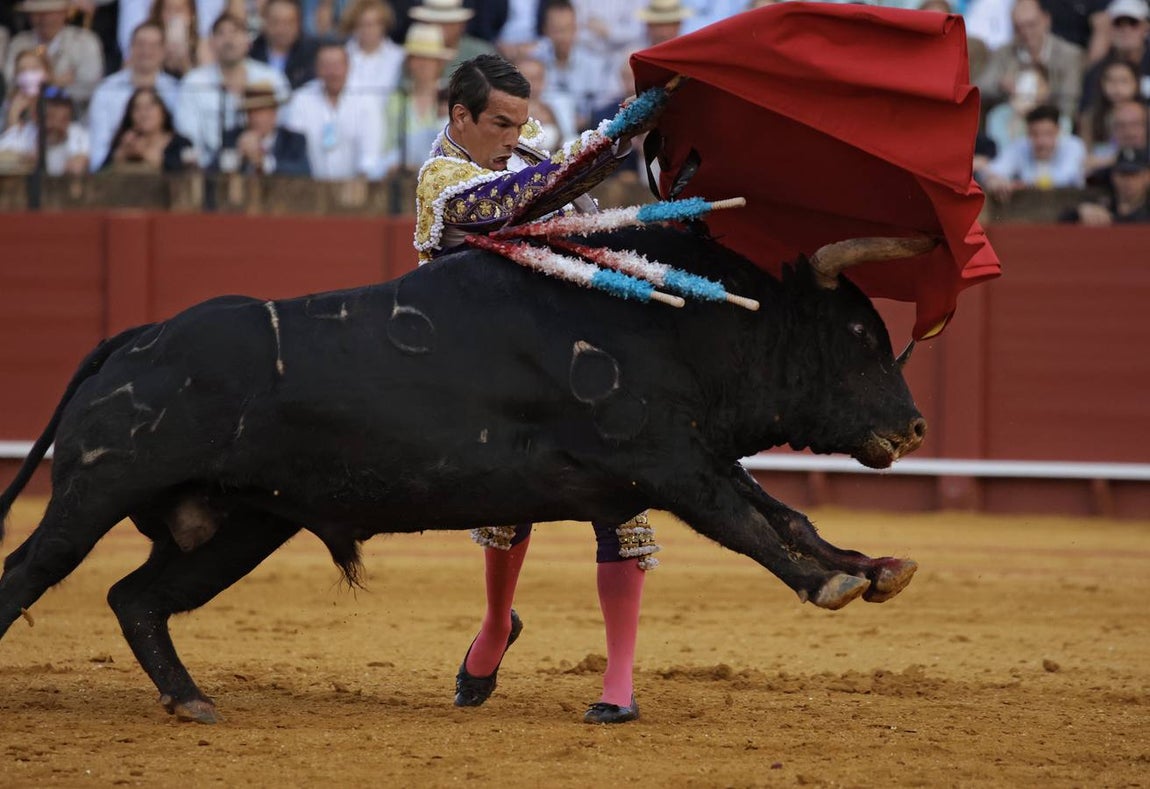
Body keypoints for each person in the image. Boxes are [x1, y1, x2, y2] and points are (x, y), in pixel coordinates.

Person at [416, 53, 657, 725]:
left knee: (622, 499)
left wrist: (626, 133)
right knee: (505, 504)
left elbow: (579, 219)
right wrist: (613, 136)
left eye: (521, 123)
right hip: (498, 371)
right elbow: (520, 201)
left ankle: (619, 679)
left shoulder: (526, 153)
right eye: (501, 123)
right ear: (460, 116)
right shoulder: (442, 178)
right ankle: (497, 622)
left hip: (574, 353)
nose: (514, 136)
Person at [175, 12, 291, 167]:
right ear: (211, 43)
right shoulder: (194, 82)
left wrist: (261, 155)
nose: (229, 40)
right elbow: (188, 137)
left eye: (235, 32)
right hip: (209, 168)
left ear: (248, 41)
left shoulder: (272, 78)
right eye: (221, 33)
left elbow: (285, 127)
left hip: (267, 166)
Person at [88, 21, 182, 172]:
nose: (146, 51)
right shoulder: (106, 90)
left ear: (163, 50)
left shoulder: (177, 90)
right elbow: (99, 146)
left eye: (153, 45)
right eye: (140, 44)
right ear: (130, 48)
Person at [284, 41, 386, 179]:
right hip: (309, 185)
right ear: (316, 68)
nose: (332, 72)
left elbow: (370, 158)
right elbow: (294, 153)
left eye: (337, 65)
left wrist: (357, 186)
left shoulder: (367, 100)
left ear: (348, 67)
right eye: (326, 66)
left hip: (356, 187)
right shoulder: (301, 99)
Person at [975, 0, 1085, 121]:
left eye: (1031, 25)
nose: (1026, 32)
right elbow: (981, 88)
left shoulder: (1069, 55)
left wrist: (1045, 99)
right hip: (1012, 120)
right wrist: (1000, 84)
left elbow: (1070, 102)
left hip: (1052, 122)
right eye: (1018, 28)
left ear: (1046, 20)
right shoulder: (1004, 53)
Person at [3, 0, 104, 110]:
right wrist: (56, 82)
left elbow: (90, 87)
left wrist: (51, 87)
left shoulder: (85, 41)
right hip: (25, 113)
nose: (44, 19)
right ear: (29, 16)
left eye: (50, 13)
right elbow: (9, 84)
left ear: (64, 13)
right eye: (37, 13)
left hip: (76, 115)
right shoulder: (19, 43)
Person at [535, 0, 617, 132]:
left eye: (567, 29)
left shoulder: (594, 63)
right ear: (545, 30)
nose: (562, 36)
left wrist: (587, 118)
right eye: (556, 30)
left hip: (586, 131)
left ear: (576, 28)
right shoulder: (534, 62)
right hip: (546, 130)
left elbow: (604, 103)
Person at [382, 21, 452, 172]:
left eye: (429, 59)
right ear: (409, 62)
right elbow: (386, 146)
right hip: (402, 176)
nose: (423, 65)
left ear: (439, 63)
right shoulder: (396, 99)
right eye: (418, 58)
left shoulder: (452, 98)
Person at [979, 103, 1086, 199]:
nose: (1041, 141)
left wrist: (1021, 185)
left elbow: (1065, 177)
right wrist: (994, 180)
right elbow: (993, 170)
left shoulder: (1073, 146)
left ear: (1058, 131)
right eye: (1035, 134)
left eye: (1047, 134)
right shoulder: (1020, 146)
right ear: (1028, 132)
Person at [212, 82, 311, 174]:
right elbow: (211, 170)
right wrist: (238, 155)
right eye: (251, 112)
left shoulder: (292, 140)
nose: (256, 118)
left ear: (273, 113)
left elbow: (303, 171)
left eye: (261, 112)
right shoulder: (232, 137)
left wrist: (264, 162)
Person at [101, 85, 194, 171]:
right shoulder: (123, 142)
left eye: (150, 107)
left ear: (162, 111)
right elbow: (99, 175)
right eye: (137, 108)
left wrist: (147, 155)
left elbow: (188, 172)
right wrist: (120, 155)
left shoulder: (181, 143)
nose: (144, 114)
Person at [0, 85, 89, 174]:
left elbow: (79, 163)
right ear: (36, 117)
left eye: (63, 119)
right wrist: (24, 160)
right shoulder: (23, 133)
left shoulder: (78, 134)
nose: (56, 124)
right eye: (51, 117)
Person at [1080, 0, 1150, 110]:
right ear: (1109, 29)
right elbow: (1086, 111)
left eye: (1133, 23)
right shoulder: (1098, 71)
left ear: (1146, 27)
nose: (1126, 30)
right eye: (1118, 24)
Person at [1078, 59, 1144, 173]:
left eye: (1123, 81)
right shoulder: (1090, 117)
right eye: (1111, 80)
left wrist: (1113, 160)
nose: (1117, 87)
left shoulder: (1145, 114)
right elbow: (1086, 159)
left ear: (1136, 84)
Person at [410, 0, 496, 80]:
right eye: (433, 22)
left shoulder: (481, 53)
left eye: (445, 23)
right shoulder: (415, 53)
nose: (439, 28)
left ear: (461, 25)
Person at [1065, 145, 1150, 222]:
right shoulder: (1103, 202)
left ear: (1147, 177)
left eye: (1134, 175)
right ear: (1113, 176)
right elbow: (1064, 218)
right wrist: (1080, 211)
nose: (1128, 181)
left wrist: (1114, 219)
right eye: (1123, 174)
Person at [251, 0, 320, 89]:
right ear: (264, 21)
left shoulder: (314, 54)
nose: (281, 29)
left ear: (299, 23)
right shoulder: (251, 51)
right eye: (275, 22)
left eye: (289, 23)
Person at [343, 0, 405, 99]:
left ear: (384, 25)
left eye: (373, 24)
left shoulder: (400, 57)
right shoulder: (343, 55)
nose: (367, 30)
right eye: (362, 24)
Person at [1087, 98, 1150, 183]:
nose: (1129, 132)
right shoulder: (1101, 154)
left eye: (1135, 124)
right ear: (1111, 130)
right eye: (1121, 126)